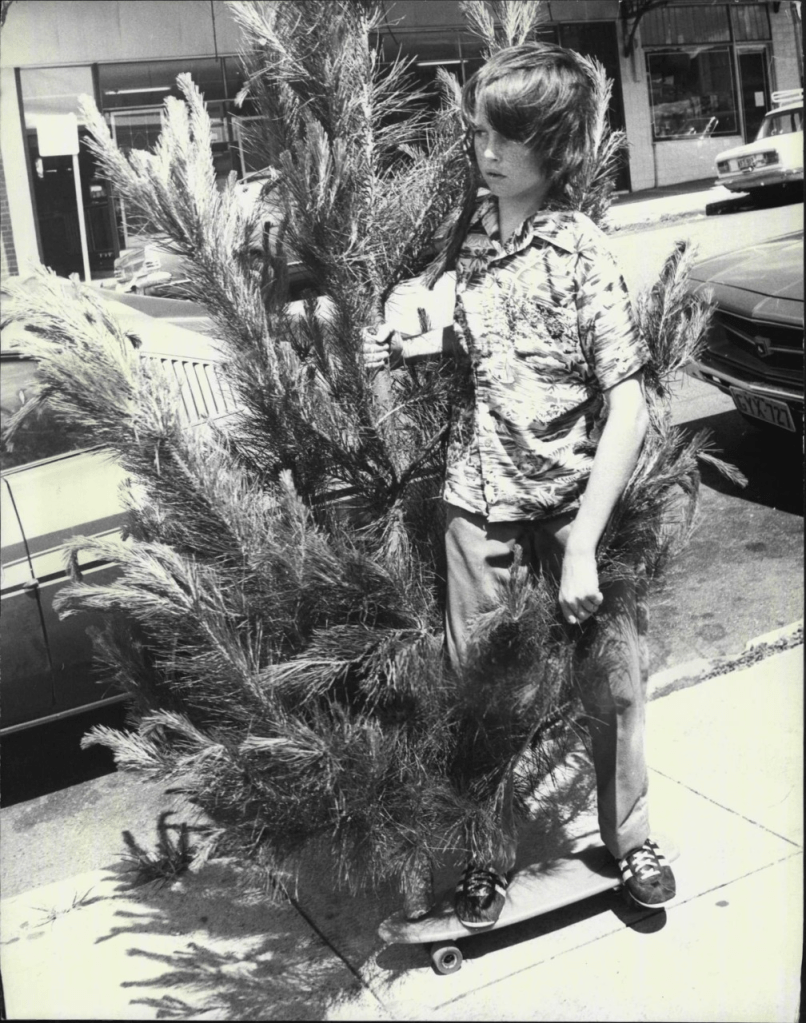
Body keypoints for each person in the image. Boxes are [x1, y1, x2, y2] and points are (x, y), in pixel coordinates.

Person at [362, 43, 676, 928]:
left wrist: (583, 548)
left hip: (572, 504)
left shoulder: (581, 251)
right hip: (476, 504)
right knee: (480, 694)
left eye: (508, 137)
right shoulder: (467, 242)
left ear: (557, 148)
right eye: (480, 134)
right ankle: (484, 856)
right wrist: (403, 345)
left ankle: (632, 838)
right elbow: (467, 346)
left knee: (612, 682)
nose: (487, 151)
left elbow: (629, 407)